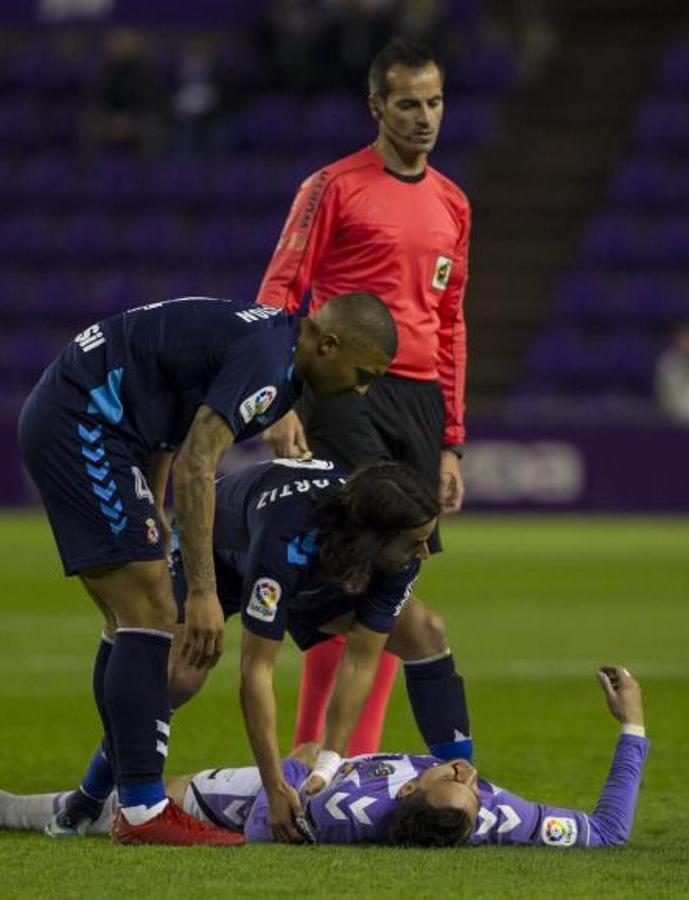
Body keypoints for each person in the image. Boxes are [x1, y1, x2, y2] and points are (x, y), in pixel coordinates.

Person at [16, 293, 395, 845]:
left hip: (99, 420)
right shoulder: (269, 363)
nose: (363, 389)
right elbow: (200, 458)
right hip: (85, 419)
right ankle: (144, 811)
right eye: (363, 374)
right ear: (328, 343)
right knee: (151, 608)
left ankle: (108, 799)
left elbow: (171, 424)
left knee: (129, 620)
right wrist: (202, 589)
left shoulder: (277, 350)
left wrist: (156, 513)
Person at [35, 457, 473, 843]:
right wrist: (275, 785)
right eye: (413, 542)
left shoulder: (397, 554)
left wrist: (327, 765)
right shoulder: (284, 540)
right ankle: (88, 799)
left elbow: (360, 657)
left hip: (322, 569)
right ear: (375, 539)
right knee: (178, 679)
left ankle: (468, 777)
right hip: (217, 557)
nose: (424, 552)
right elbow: (256, 671)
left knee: (426, 631)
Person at [257, 37, 472, 759]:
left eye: (434, 102)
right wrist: (277, 399)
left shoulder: (452, 203)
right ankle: (324, 756)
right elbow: (281, 292)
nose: (423, 117)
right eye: (407, 103)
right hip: (346, 393)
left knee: (388, 579)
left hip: (418, 406)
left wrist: (450, 439)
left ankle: (335, 759)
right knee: (354, 572)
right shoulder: (332, 186)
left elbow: (449, 323)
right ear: (376, 105)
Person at [0, 666, 648, 849]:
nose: (469, 774)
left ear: (409, 800)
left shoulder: (349, 813)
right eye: (472, 787)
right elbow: (608, 832)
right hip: (281, 785)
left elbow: (282, 814)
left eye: (454, 780)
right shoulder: (502, 822)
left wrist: (309, 766)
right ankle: (19, 804)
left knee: (128, 789)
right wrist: (633, 727)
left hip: (231, 801)